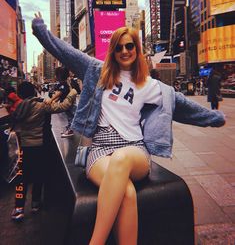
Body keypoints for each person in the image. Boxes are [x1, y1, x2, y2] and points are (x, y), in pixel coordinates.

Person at [32, 13, 225, 245]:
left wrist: (214, 117)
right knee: (127, 194)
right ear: (113, 51)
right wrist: (40, 28)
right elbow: (64, 51)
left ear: (137, 49)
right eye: (119, 47)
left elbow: (184, 108)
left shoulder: (151, 86)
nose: (124, 51)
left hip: (134, 151)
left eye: (130, 46)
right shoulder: (97, 70)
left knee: (122, 159)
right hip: (99, 151)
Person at [11, 81, 77, 221]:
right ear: (34, 92)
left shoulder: (18, 107)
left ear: (20, 94)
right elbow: (64, 106)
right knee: (38, 174)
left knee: (21, 177)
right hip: (39, 146)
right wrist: (72, 92)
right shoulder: (41, 106)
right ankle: (35, 204)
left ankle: (18, 208)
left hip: (23, 147)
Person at [48, 66, 76, 137]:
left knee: (71, 116)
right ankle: (70, 128)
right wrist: (54, 101)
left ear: (60, 75)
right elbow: (60, 95)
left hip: (69, 103)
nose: (55, 76)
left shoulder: (63, 84)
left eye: (56, 74)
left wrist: (51, 100)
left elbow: (59, 93)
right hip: (67, 103)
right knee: (70, 116)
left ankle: (70, 130)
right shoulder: (63, 83)